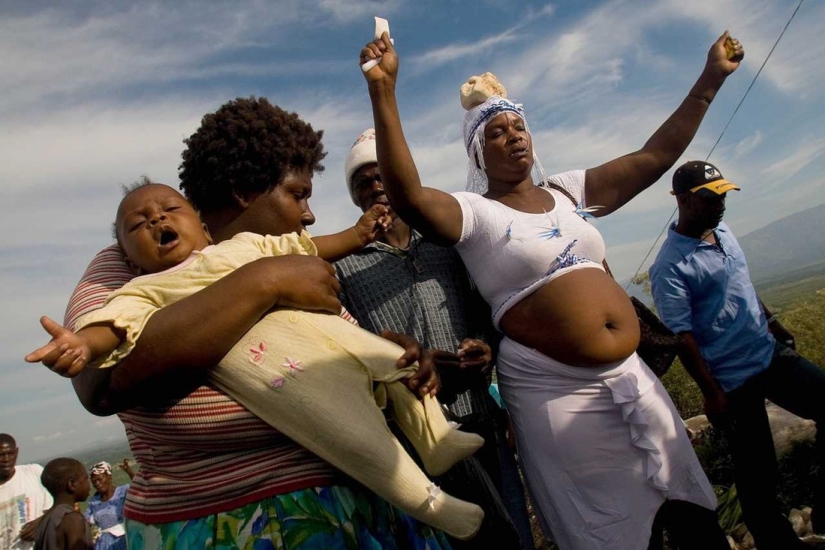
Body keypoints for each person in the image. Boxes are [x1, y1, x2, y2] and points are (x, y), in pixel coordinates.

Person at [359, 29, 745, 550]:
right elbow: (407, 195)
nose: (514, 135)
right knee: (617, 531)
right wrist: (383, 90)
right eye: (496, 132)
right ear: (477, 151)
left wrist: (710, 78)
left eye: (519, 125)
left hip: (631, 378)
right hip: (555, 392)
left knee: (693, 516)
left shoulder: (569, 191)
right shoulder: (476, 215)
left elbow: (654, 158)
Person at [47, 97, 461, 549]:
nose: (309, 215)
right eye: (297, 194)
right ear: (246, 191)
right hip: (223, 522)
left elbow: (329, 345)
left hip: (358, 506)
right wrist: (263, 282)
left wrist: (390, 358)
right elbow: (98, 385)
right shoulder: (128, 265)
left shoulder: (295, 264)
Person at [336, 128, 532, 548]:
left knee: (510, 532)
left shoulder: (449, 244)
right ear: (355, 198)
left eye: (382, 175)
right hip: (414, 436)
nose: (375, 187)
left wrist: (483, 348)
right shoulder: (344, 266)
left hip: (479, 413)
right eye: (363, 182)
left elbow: (486, 312)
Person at [649, 160, 825, 550]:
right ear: (681, 201)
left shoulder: (722, 230)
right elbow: (683, 337)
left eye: (723, 194)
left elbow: (740, 282)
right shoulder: (670, 266)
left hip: (769, 354)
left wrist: (772, 320)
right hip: (732, 379)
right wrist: (712, 395)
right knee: (759, 474)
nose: (720, 203)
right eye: (710, 198)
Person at [0, 434, 53, 550]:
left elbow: (60, 507)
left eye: (10, 453)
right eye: (1, 455)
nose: (6, 459)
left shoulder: (34, 473)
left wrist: (40, 522)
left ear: (17, 452)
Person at [33, 457, 92, 550]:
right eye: (86, 478)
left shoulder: (44, 520)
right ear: (72, 484)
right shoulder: (73, 519)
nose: (89, 484)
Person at [82, 461, 134, 550]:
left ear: (109, 476)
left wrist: (130, 472)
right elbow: (84, 523)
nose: (97, 483)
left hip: (127, 540)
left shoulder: (123, 492)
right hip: (104, 545)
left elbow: (140, 489)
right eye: (94, 482)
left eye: (100, 479)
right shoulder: (93, 502)